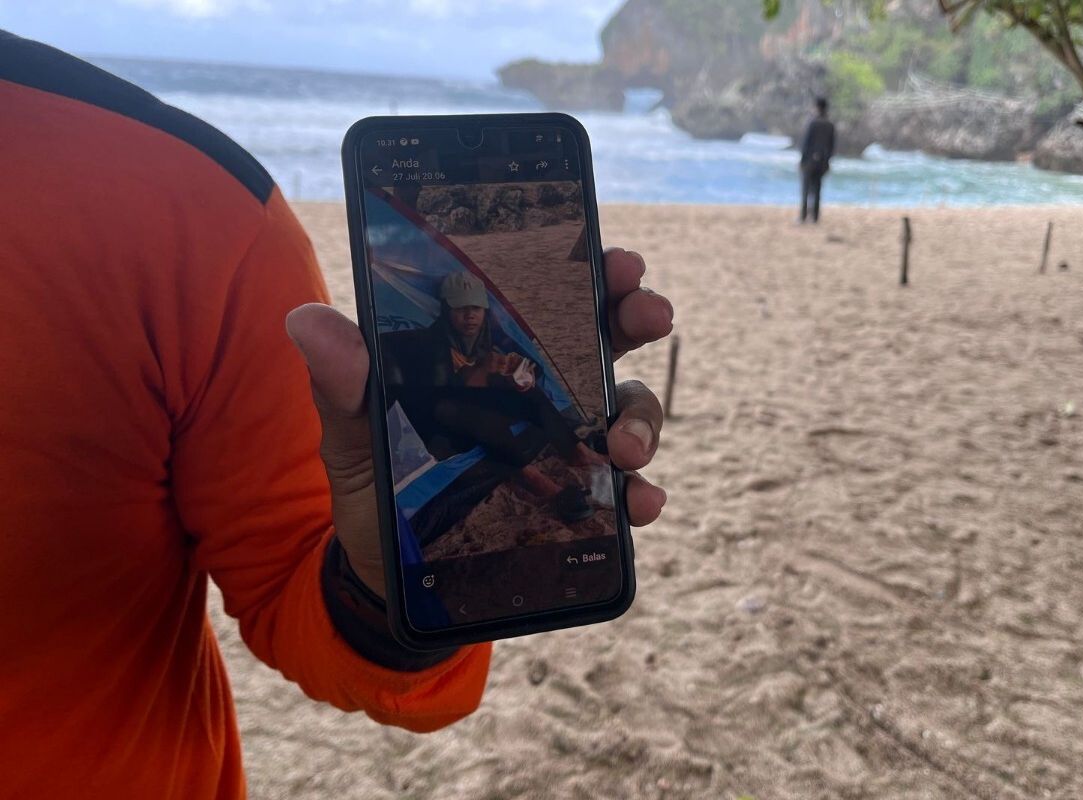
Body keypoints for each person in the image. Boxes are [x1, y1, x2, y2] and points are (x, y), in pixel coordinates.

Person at [0, 31, 673, 799]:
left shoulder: (188, 203)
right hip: (448, 427)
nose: (463, 322)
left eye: (467, 316)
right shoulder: (404, 329)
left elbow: (290, 578)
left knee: (537, 408)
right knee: (501, 420)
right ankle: (565, 485)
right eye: (457, 315)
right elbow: (438, 391)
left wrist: (382, 589)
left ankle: (580, 468)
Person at [379, 271, 603, 525]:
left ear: (485, 309)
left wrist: (519, 378)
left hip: (464, 400)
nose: (469, 315)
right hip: (434, 414)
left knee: (532, 396)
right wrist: (485, 373)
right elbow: (440, 395)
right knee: (483, 419)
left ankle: (577, 452)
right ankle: (541, 485)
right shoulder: (430, 344)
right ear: (446, 310)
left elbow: (519, 367)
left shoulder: (481, 338)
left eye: (476, 307)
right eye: (460, 308)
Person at [799, 96, 836, 223]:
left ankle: (803, 216)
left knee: (806, 189)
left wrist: (802, 161)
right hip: (822, 163)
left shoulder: (813, 123)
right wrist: (827, 161)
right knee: (818, 190)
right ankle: (815, 217)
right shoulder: (830, 125)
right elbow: (832, 146)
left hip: (810, 161)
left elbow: (806, 144)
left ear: (817, 107)